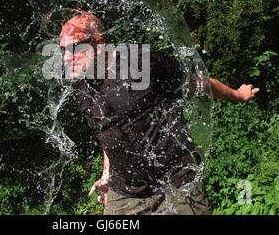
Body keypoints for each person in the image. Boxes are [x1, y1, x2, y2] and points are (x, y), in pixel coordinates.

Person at [58, 12, 259, 215]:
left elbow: (196, 85)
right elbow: (108, 131)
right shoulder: (81, 88)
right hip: (126, 194)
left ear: (99, 43)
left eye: (74, 49)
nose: (66, 58)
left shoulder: (140, 62)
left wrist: (237, 94)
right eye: (62, 51)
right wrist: (107, 175)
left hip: (177, 183)